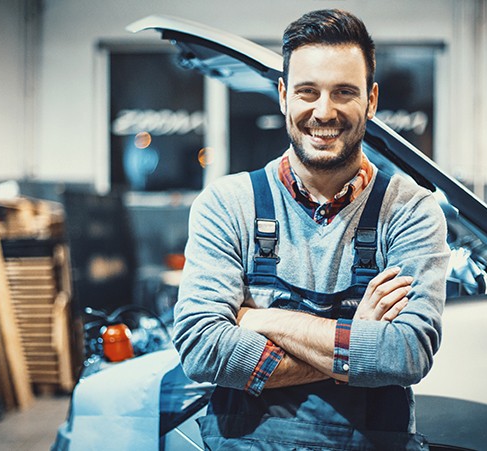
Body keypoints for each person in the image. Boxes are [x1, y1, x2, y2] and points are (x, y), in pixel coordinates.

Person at [173, 8, 450, 450]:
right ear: (283, 95)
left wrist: (260, 319)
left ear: (371, 100)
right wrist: (357, 345)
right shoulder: (228, 205)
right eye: (308, 92)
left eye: (344, 92)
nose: (324, 111)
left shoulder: (410, 211)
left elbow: (406, 353)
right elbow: (201, 347)